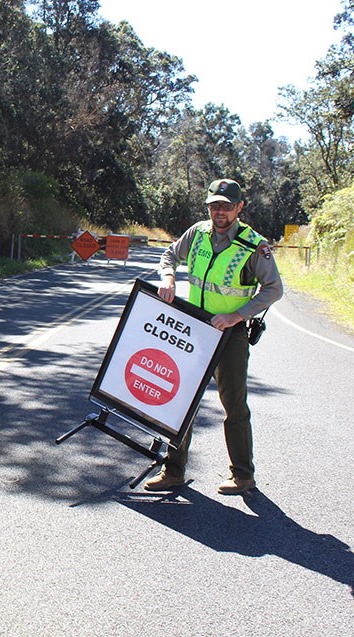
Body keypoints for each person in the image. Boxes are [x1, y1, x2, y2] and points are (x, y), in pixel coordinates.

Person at [144, 179, 283, 495]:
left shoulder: (253, 245)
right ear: (208, 206)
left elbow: (274, 289)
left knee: (234, 404)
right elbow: (169, 256)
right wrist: (168, 278)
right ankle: (174, 471)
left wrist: (236, 316)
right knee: (180, 400)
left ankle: (243, 476)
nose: (220, 211)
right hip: (193, 330)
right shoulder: (197, 234)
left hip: (229, 334)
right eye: (214, 205)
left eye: (227, 205)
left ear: (239, 207)